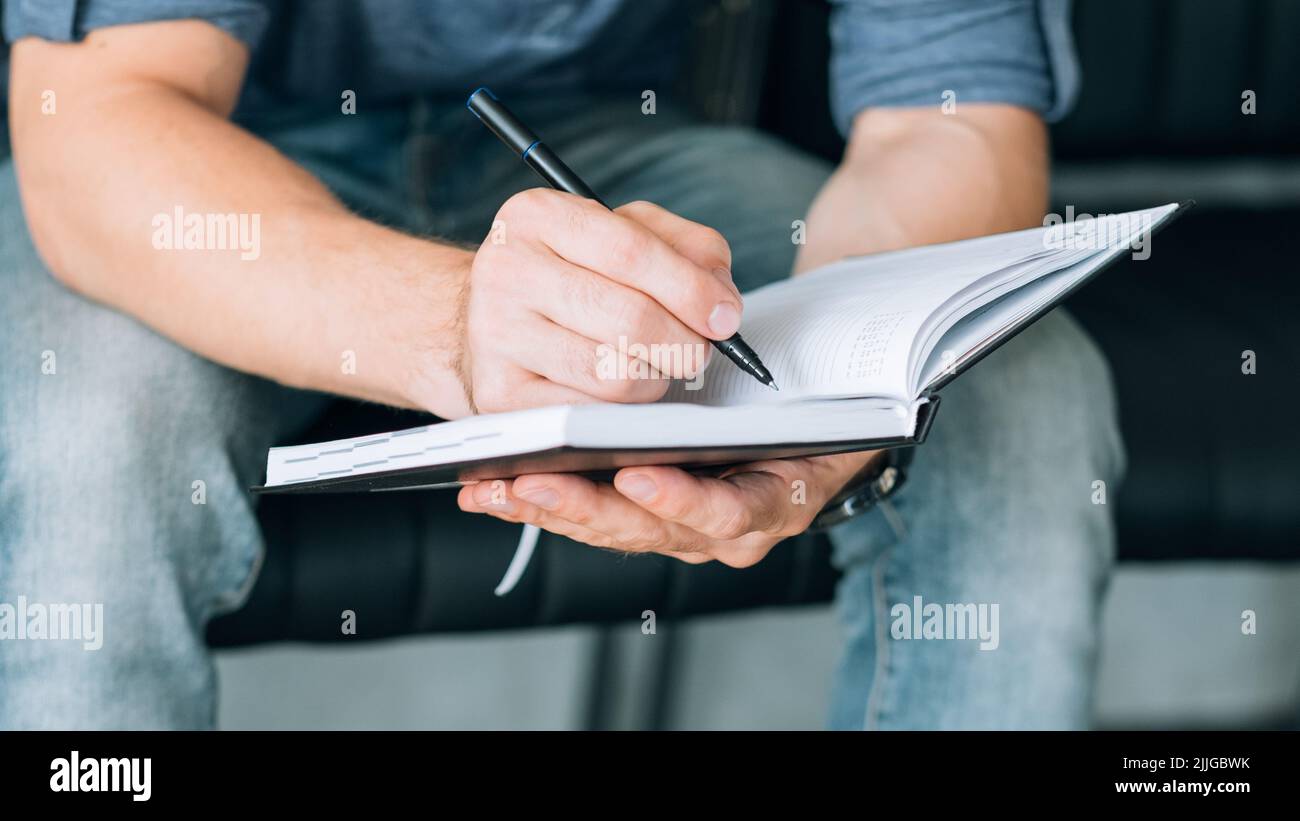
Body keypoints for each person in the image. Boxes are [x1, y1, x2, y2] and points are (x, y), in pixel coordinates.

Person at [0, 0, 1121, 729]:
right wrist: (456, 330)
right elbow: (104, 112)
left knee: (1017, 393)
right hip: (210, 150)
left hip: (597, 143)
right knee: (90, 426)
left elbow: (949, 117)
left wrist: (845, 396)